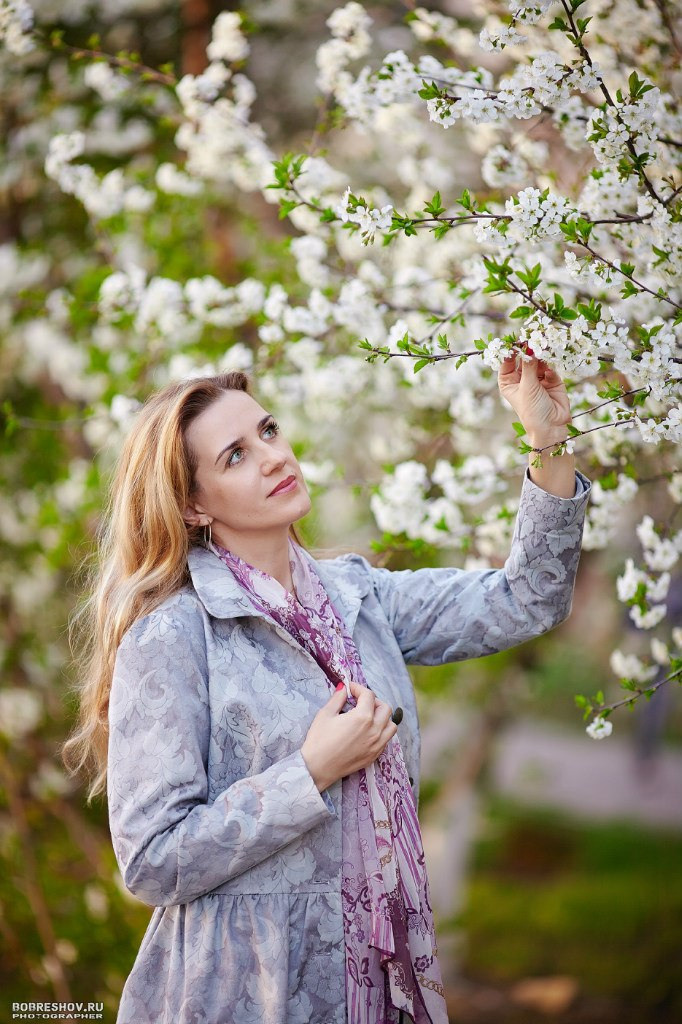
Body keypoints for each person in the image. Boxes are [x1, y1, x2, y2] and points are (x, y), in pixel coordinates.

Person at [63, 352, 592, 1024]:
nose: (273, 458)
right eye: (235, 456)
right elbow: (151, 860)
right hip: (248, 991)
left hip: (381, 973)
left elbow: (527, 598)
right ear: (193, 506)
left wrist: (548, 439)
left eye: (269, 431)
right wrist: (310, 771)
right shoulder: (174, 635)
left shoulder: (359, 596)